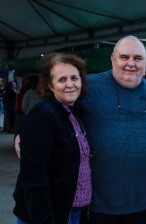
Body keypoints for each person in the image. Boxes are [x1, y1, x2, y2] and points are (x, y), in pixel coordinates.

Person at [79, 35, 146, 224]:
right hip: (100, 207)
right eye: (124, 57)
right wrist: (26, 134)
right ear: (113, 59)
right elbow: (55, 109)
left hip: (144, 203)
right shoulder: (89, 86)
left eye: (138, 58)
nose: (131, 63)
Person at [13, 53, 92, 224]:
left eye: (74, 78)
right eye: (62, 80)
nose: (70, 84)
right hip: (48, 215)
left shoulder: (73, 112)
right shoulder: (43, 114)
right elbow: (33, 176)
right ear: (50, 85)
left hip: (73, 210)